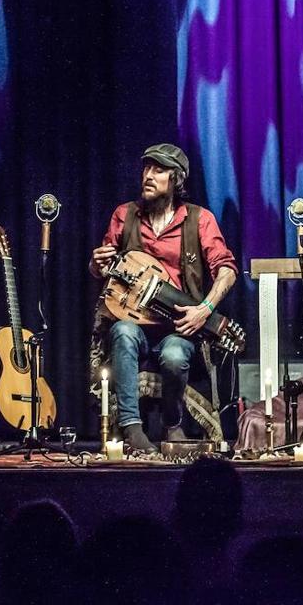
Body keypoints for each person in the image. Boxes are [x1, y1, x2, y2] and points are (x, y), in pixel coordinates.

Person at [89, 144, 238, 453]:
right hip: (134, 320)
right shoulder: (124, 215)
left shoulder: (199, 219)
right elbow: (104, 272)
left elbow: (227, 269)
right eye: (146, 169)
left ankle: (172, 422)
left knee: (173, 356)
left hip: (178, 326)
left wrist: (205, 308)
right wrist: (96, 264)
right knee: (122, 332)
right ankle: (132, 428)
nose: (149, 176)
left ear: (177, 179)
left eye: (158, 170)